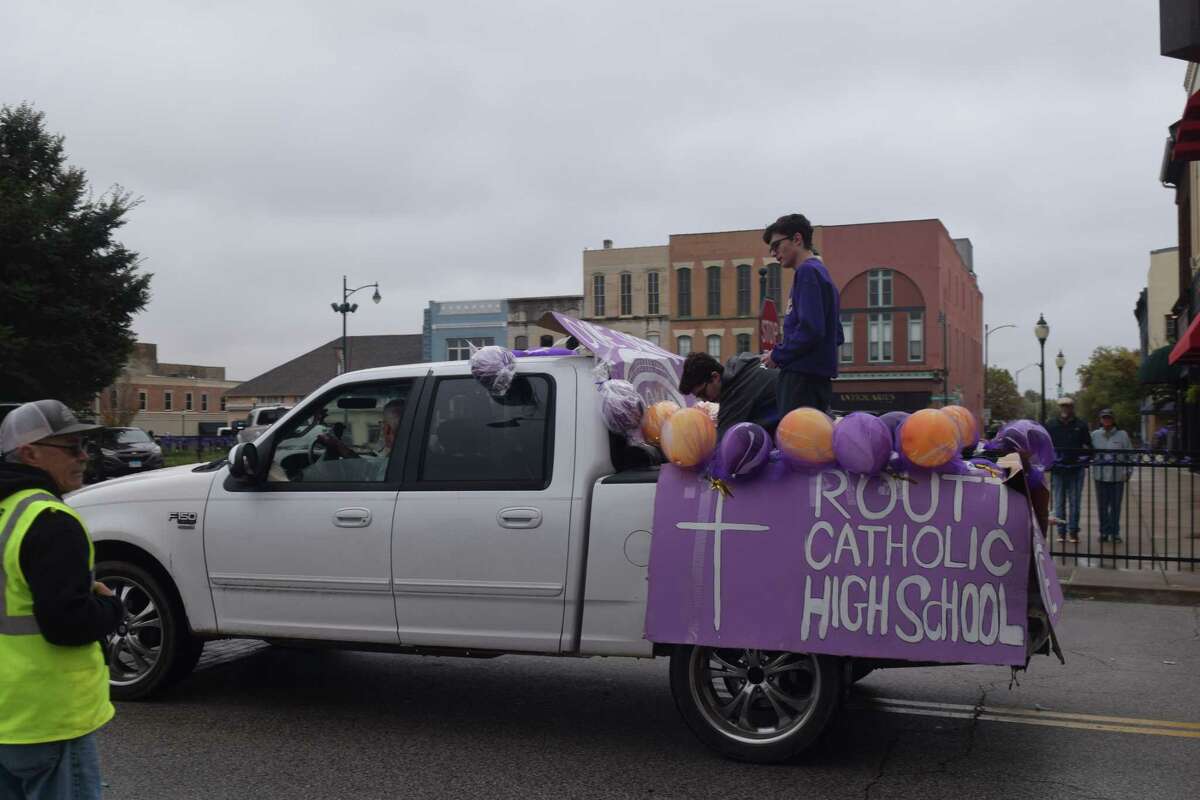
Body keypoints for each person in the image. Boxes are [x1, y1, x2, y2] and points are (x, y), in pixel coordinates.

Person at [0, 400, 126, 800]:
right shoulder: (49, 519)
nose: (84, 456)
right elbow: (67, 623)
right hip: (47, 717)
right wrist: (112, 608)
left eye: (84, 446)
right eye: (71, 447)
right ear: (29, 453)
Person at [759, 213, 843, 414]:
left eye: (776, 245)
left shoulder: (806, 273)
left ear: (797, 239)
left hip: (800, 379)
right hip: (818, 380)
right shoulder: (823, 274)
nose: (773, 253)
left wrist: (778, 355)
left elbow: (811, 329)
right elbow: (837, 335)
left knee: (795, 442)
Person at [678, 351, 780, 437]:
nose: (705, 400)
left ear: (715, 377)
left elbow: (722, 446)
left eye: (702, 393)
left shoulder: (735, 393)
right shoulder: (746, 367)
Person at [307, 398, 405, 482]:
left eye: (382, 423)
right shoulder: (403, 455)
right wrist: (339, 446)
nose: (381, 428)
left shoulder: (400, 460)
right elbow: (372, 471)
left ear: (387, 428)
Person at [1045, 396, 1091, 543]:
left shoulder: (1081, 425)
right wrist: (1050, 462)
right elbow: (1045, 446)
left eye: (1068, 406)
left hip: (1076, 471)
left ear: (1072, 408)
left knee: (1075, 503)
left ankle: (1073, 532)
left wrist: (1082, 460)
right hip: (1058, 471)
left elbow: (1089, 447)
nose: (1065, 409)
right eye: (1063, 406)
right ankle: (1061, 532)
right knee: (1059, 504)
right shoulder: (1051, 425)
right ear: (1060, 408)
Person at [1091, 409, 1132, 544]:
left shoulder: (1122, 435)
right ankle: (1104, 532)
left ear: (1113, 419)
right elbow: (1089, 452)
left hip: (1117, 477)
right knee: (1102, 506)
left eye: (1109, 417)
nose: (1106, 420)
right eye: (1104, 418)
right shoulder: (1095, 435)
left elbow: (1130, 455)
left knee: (1115, 506)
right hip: (1100, 476)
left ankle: (1114, 533)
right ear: (1101, 420)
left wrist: (1128, 471)